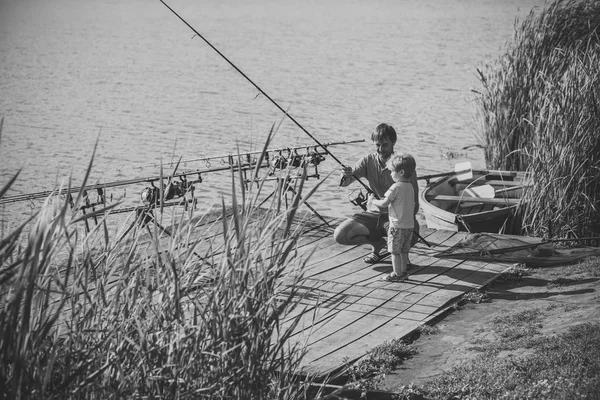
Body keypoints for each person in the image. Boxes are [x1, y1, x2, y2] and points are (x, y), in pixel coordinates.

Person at [333, 123, 420, 263]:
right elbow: (345, 183)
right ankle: (377, 245)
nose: (380, 149)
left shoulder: (404, 165)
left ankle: (404, 258)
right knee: (340, 235)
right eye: (377, 145)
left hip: (397, 218)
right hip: (373, 213)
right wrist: (346, 174)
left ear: (393, 143)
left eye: (384, 145)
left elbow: (414, 204)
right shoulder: (368, 160)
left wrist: (399, 217)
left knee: (410, 235)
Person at [367, 154, 415, 281]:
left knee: (394, 251)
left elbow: (384, 204)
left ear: (401, 172)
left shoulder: (395, 187)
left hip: (396, 226)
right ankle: (403, 273)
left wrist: (372, 201)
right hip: (409, 226)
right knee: (404, 251)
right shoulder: (409, 187)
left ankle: (396, 274)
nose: (390, 174)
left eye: (392, 171)